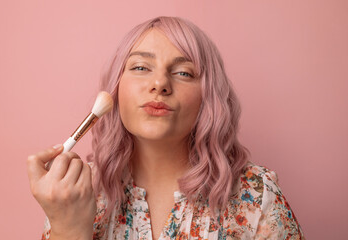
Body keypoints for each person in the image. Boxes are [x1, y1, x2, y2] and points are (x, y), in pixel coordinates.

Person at [27, 16, 305, 240]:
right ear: (115, 90)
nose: (159, 83)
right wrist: (69, 232)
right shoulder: (73, 194)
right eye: (140, 67)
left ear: (209, 97)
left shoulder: (257, 195)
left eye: (184, 72)